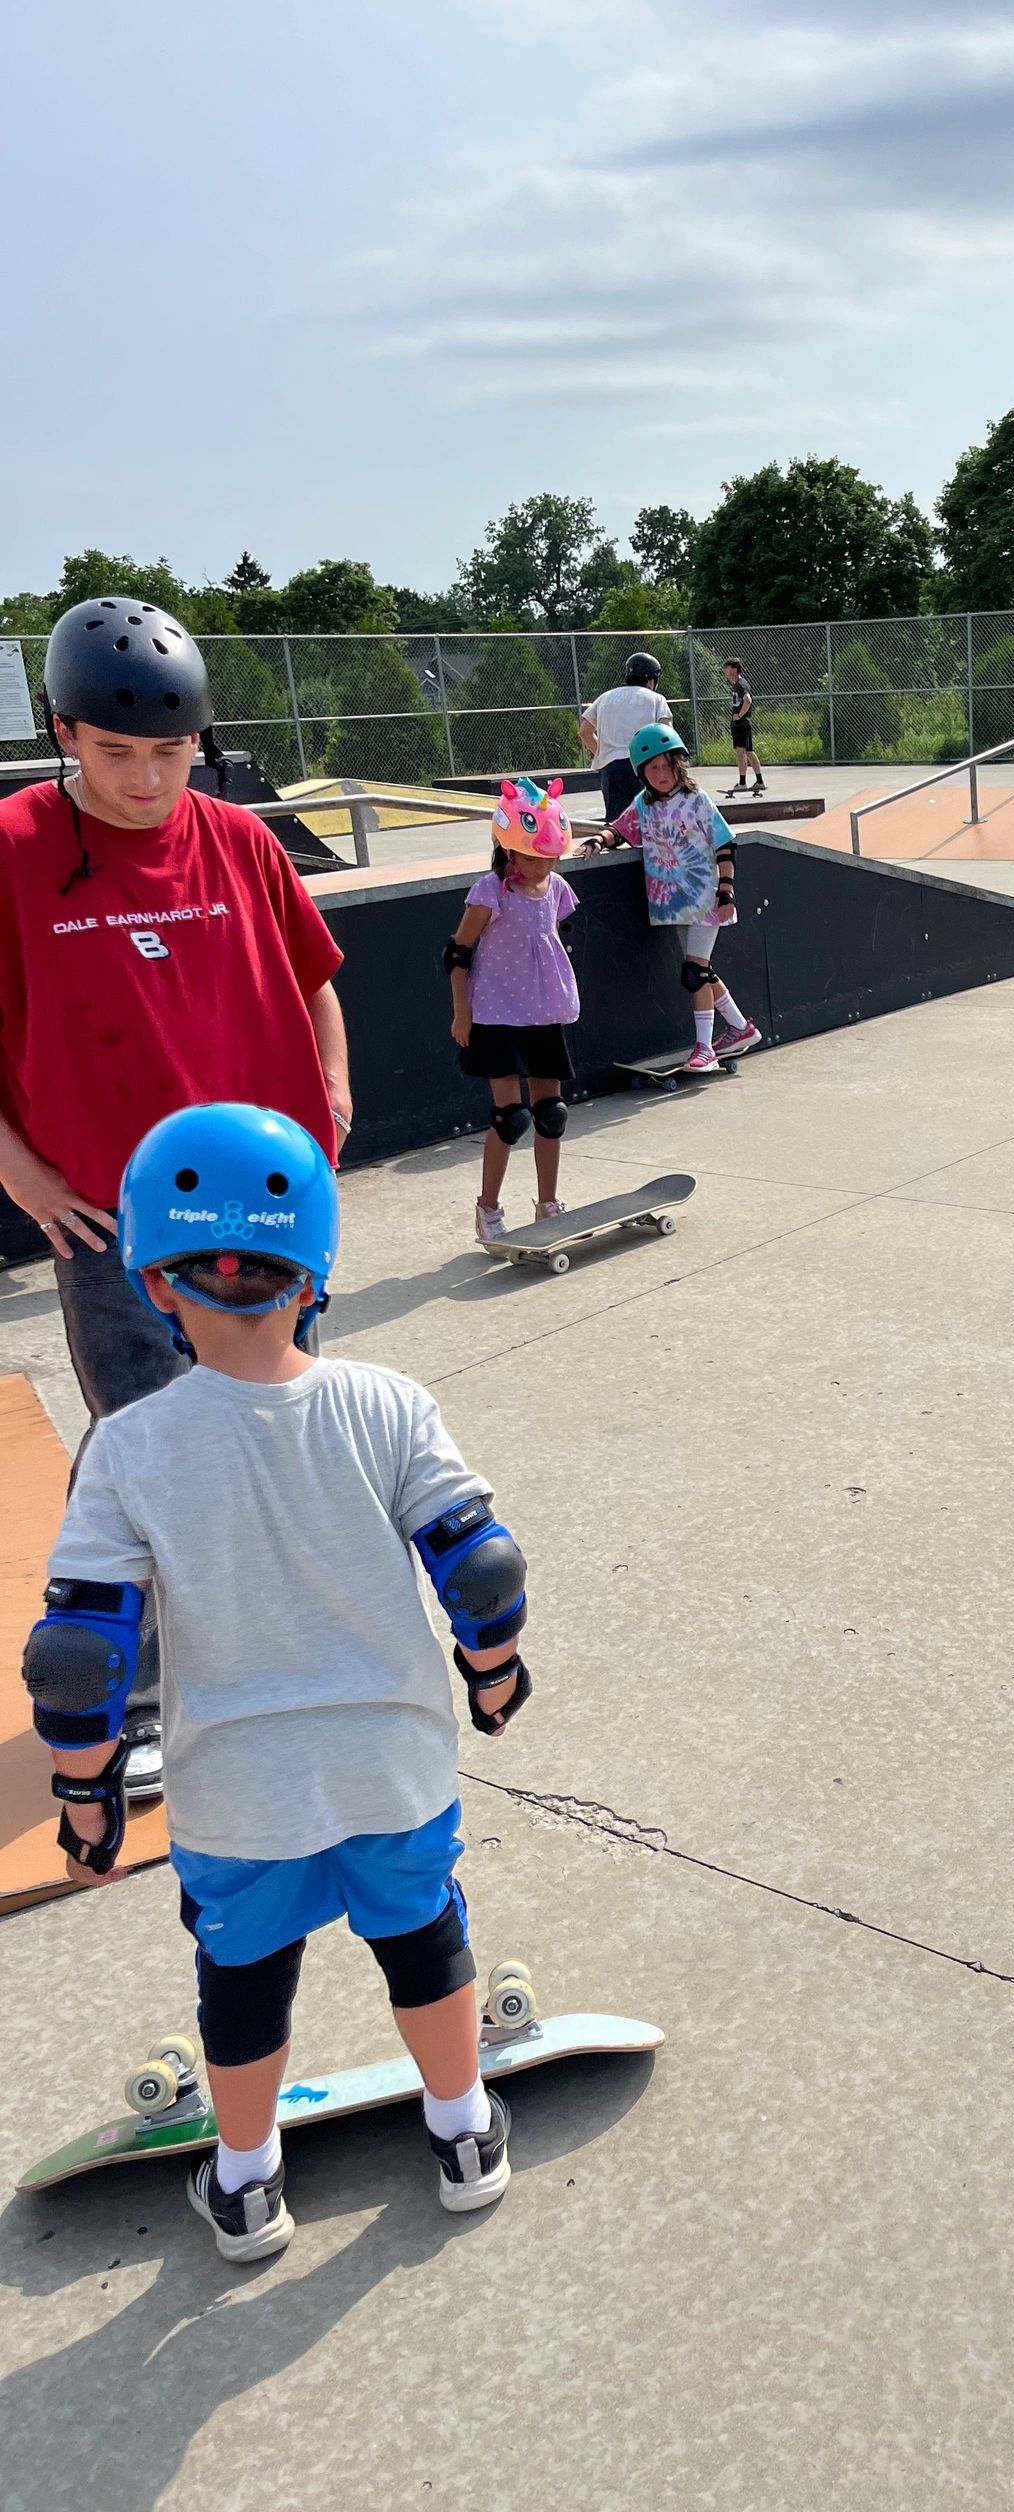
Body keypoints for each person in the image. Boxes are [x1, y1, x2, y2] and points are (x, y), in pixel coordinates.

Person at [25, 1103, 531, 2259]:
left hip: (236, 1798)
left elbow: (83, 1652)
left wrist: (87, 1796)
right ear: (313, 1274)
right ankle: (462, 2130)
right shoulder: (389, 1403)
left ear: (156, 1284)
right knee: (425, 1940)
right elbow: (479, 1563)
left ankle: (248, 2182)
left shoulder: (131, 1445)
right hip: (392, 1768)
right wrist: (493, 1676)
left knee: (244, 1979)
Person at [0, 595, 352, 1796]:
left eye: (170, 751)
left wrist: (336, 1099)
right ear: (63, 732)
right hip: (111, 1220)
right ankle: (133, 1691)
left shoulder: (241, 841)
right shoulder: (10, 849)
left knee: (276, 1430)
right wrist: (18, 1169)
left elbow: (314, 980)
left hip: (269, 1210)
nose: (148, 780)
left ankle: (269, 1657)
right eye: (116, 755)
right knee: (146, 1453)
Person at [446, 778, 581, 1242]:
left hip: (543, 1015)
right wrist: (461, 1012)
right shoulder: (491, 891)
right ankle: (488, 1209)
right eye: (531, 856)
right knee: (511, 1118)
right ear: (508, 852)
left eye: (549, 857)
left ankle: (548, 1205)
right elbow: (457, 952)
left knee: (551, 1113)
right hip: (496, 1017)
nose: (541, 865)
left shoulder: (558, 888)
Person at [587, 722, 759, 1074]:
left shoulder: (697, 801)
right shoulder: (644, 805)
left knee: (693, 973)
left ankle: (704, 1049)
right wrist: (598, 842)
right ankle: (741, 1027)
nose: (663, 775)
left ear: (679, 766)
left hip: (705, 899)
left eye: (668, 767)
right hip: (671, 902)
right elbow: (619, 829)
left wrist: (726, 891)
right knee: (701, 970)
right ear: (642, 773)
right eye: (654, 769)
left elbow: (725, 845)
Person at [579, 651, 672, 824]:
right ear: (651, 680)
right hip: (645, 765)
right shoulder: (656, 699)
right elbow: (666, 735)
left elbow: (584, 731)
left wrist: (603, 752)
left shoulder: (604, 698)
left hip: (611, 768)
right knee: (649, 823)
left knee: (617, 826)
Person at [721, 659, 764, 797]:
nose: (724, 671)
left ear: (733, 669)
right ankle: (759, 781)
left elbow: (748, 700)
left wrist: (739, 715)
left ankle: (742, 783)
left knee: (741, 752)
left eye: (726, 668)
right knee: (749, 751)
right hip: (742, 724)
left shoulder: (740, 685)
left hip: (741, 724)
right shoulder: (736, 685)